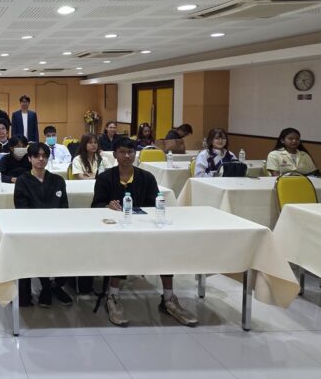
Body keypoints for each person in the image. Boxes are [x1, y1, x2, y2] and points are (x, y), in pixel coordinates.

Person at [92, 137, 197, 328]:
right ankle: (113, 296)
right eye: (122, 152)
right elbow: (96, 205)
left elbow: (155, 205)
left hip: (144, 227)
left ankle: (168, 298)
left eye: (130, 152)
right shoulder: (105, 177)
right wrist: (107, 206)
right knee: (118, 246)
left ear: (135, 154)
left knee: (165, 246)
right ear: (114, 154)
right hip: (116, 229)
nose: (127, 156)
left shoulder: (146, 177)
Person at [14, 142, 72, 308]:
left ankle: (57, 284)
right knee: (39, 248)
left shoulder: (57, 180)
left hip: (56, 227)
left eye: (44, 156)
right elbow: (22, 209)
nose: (41, 159)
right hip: (33, 228)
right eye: (37, 156)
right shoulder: (23, 181)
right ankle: (46, 285)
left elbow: (64, 207)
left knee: (70, 246)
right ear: (30, 158)